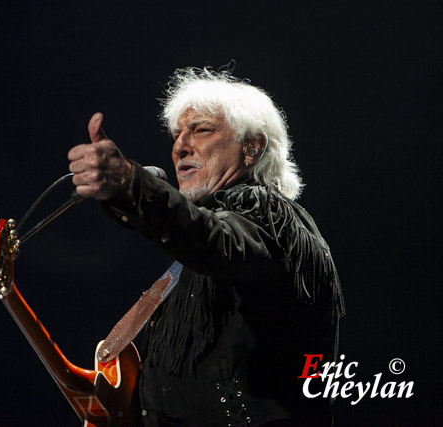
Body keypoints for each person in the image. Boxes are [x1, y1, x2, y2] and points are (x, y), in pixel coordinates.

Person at [68, 67, 345, 427]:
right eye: (177, 133)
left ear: (252, 148)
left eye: (200, 129)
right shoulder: (204, 247)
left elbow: (214, 240)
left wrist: (133, 186)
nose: (180, 145)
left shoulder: (270, 214)